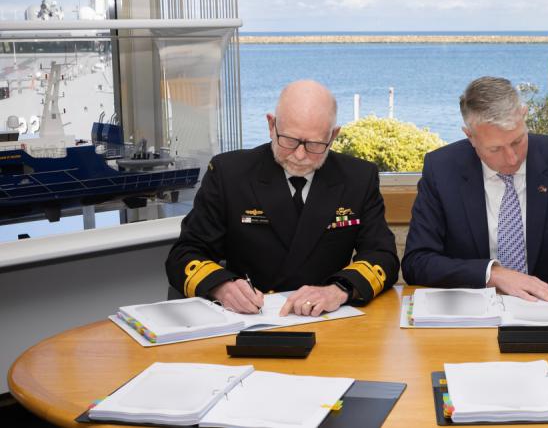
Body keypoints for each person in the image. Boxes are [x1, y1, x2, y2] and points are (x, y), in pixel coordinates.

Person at [166, 80, 399, 315]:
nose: (300, 155)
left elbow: (382, 255)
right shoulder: (229, 174)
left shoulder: (358, 177)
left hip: (327, 317)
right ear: (271, 125)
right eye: (289, 140)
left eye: (314, 144)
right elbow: (184, 254)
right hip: (251, 317)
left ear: (333, 135)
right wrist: (221, 287)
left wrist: (339, 290)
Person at [401, 76, 548, 305]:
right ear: (470, 136)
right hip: (474, 312)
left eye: (517, 141)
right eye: (495, 149)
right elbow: (417, 262)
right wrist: (493, 274)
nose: (512, 159)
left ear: (523, 115)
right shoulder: (442, 170)